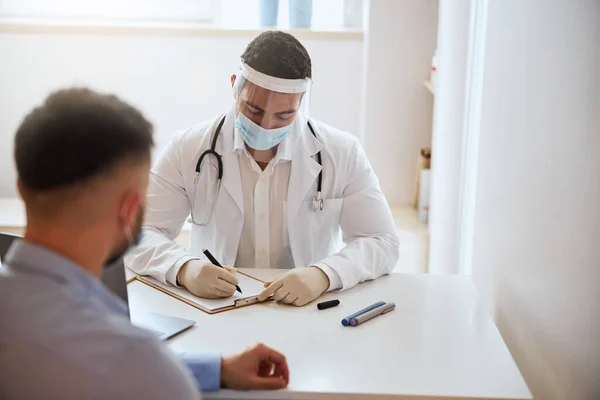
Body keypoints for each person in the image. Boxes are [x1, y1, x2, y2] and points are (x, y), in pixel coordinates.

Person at [0, 88, 289, 399]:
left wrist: (217, 369)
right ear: (128, 210)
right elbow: (126, 368)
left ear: (21, 188)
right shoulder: (138, 361)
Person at [126, 30, 400, 307]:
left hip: (310, 310)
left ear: (300, 103)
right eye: (253, 110)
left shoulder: (341, 152)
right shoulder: (188, 148)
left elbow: (382, 241)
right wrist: (184, 269)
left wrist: (324, 274)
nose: (265, 126)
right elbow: (137, 234)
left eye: (284, 115)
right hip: (216, 311)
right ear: (234, 86)